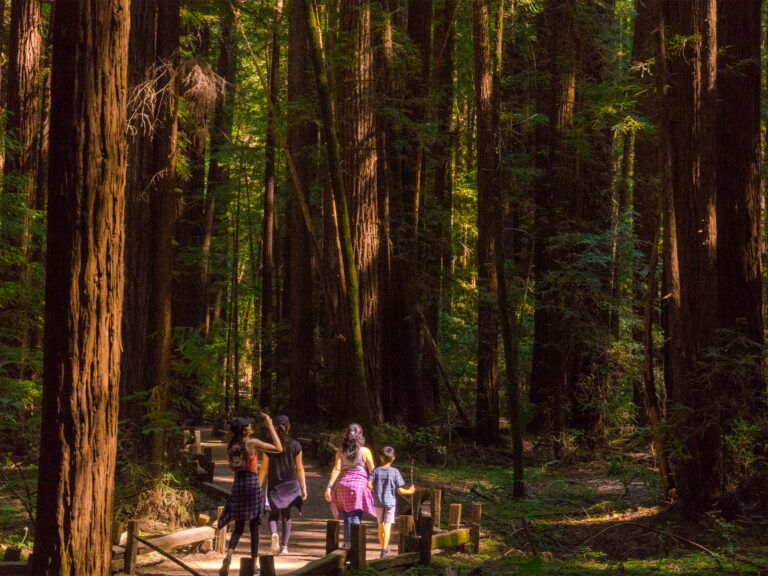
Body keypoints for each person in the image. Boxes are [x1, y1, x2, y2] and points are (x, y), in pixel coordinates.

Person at [217, 413, 282, 576]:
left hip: (238, 484)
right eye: (249, 425)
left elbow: (233, 468)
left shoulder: (232, 446)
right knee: (254, 527)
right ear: (245, 431)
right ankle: (254, 566)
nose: (251, 426)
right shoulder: (252, 443)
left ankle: (228, 556)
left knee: (239, 527)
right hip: (252, 484)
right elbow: (278, 448)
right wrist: (270, 424)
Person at [258, 415, 307, 556]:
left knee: (273, 515)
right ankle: (285, 547)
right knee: (287, 515)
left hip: (275, 484)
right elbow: (300, 468)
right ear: (289, 428)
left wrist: (258, 485)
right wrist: (304, 487)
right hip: (291, 485)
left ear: (275, 428)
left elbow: (264, 468)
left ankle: (274, 535)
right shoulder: (296, 445)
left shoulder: (269, 447)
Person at [324, 423, 376, 550]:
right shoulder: (365, 451)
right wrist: (373, 485)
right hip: (358, 486)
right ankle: (356, 546)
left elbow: (337, 468)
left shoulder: (340, 451)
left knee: (347, 515)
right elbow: (372, 470)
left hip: (343, 485)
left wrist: (329, 486)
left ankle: (347, 543)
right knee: (356, 515)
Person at [366, 446, 415, 557]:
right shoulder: (395, 472)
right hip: (390, 503)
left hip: (378, 502)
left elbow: (368, 485)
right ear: (393, 458)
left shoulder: (376, 470)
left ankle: (383, 547)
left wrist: (375, 489)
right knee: (387, 526)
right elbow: (400, 490)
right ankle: (384, 549)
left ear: (381, 457)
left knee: (380, 525)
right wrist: (410, 491)